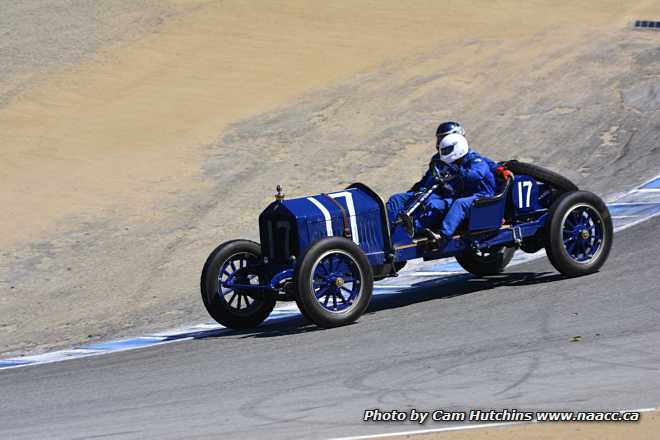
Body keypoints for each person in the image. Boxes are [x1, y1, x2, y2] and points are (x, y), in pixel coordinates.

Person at [386, 121, 497, 244]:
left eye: (444, 138)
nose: (441, 143)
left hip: (477, 196)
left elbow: (477, 174)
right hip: (445, 193)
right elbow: (429, 179)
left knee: (440, 204)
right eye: (439, 139)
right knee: (397, 199)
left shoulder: (475, 159)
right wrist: (418, 191)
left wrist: (457, 171)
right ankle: (388, 229)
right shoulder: (440, 159)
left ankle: (428, 232)